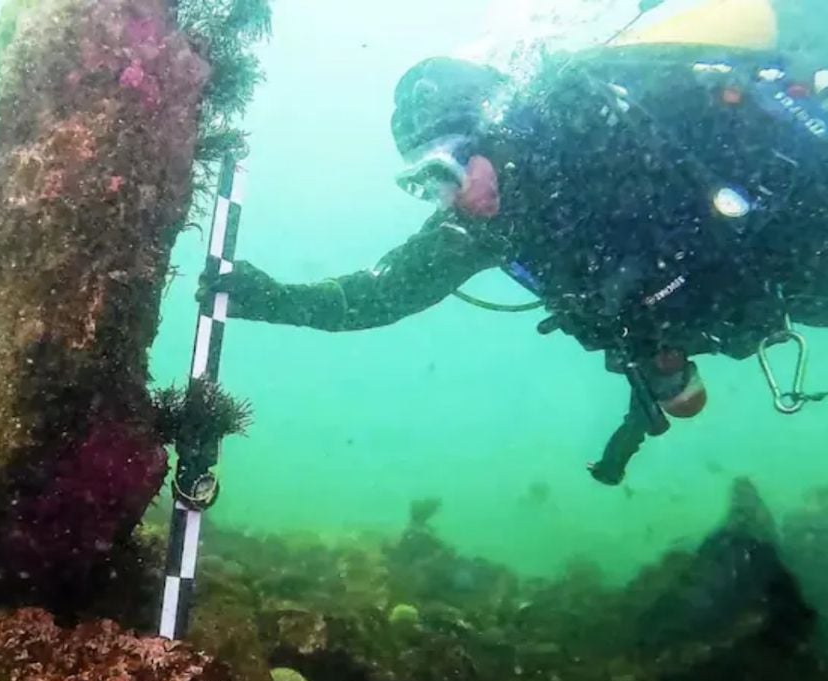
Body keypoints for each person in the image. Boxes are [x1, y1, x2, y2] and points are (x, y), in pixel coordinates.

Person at [198, 0, 828, 485]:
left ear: (487, 128)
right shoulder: (487, 225)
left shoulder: (592, 115)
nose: (452, 197)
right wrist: (274, 298)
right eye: (427, 185)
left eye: (448, 168)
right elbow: (381, 295)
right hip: (781, 293)